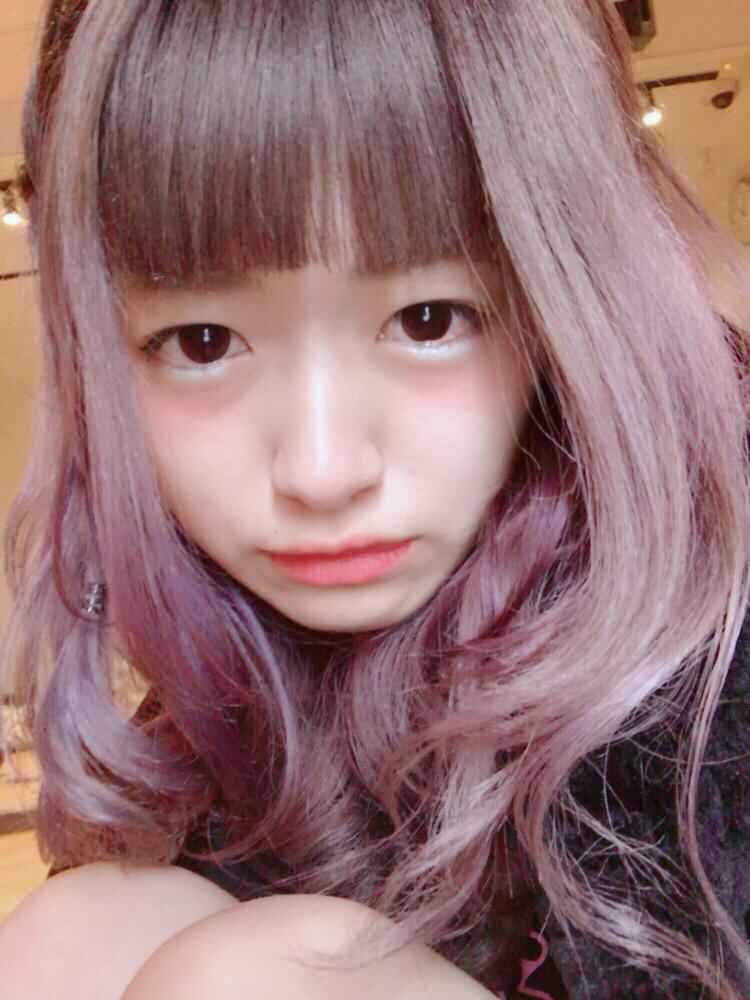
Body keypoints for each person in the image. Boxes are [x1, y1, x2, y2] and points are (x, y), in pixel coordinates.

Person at [0, 0, 749, 997]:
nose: (321, 470)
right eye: (202, 342)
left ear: (564, 297)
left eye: (430, 318)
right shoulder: (272, 638)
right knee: (76, 934)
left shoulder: (717, 579)